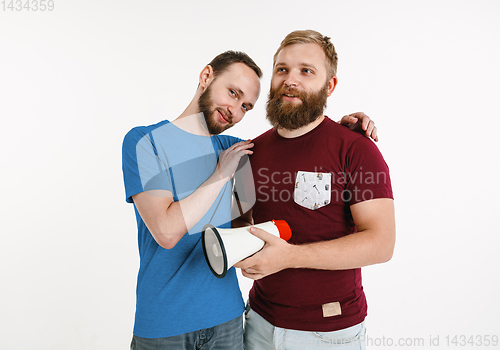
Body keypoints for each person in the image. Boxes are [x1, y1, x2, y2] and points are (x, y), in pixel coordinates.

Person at [122, 50, 378, 349]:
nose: (235, 110)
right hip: (164, 324)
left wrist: (342, 131)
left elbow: (294, 143)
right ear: (206, 77)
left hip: (228, 320)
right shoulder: (145, 141)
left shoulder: (238, 150)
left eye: (246, 106)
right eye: (232, 93)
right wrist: (220, 175)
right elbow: (166, 231)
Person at [235, 30, 396, 350]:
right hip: (258, 323)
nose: (290, 79)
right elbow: (240, 227)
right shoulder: (250, 153)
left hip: (330, 333)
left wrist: (291, 257)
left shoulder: (356, 149)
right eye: (282, 69)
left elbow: (381, 243)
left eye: (306, 71)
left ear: (330, 85)